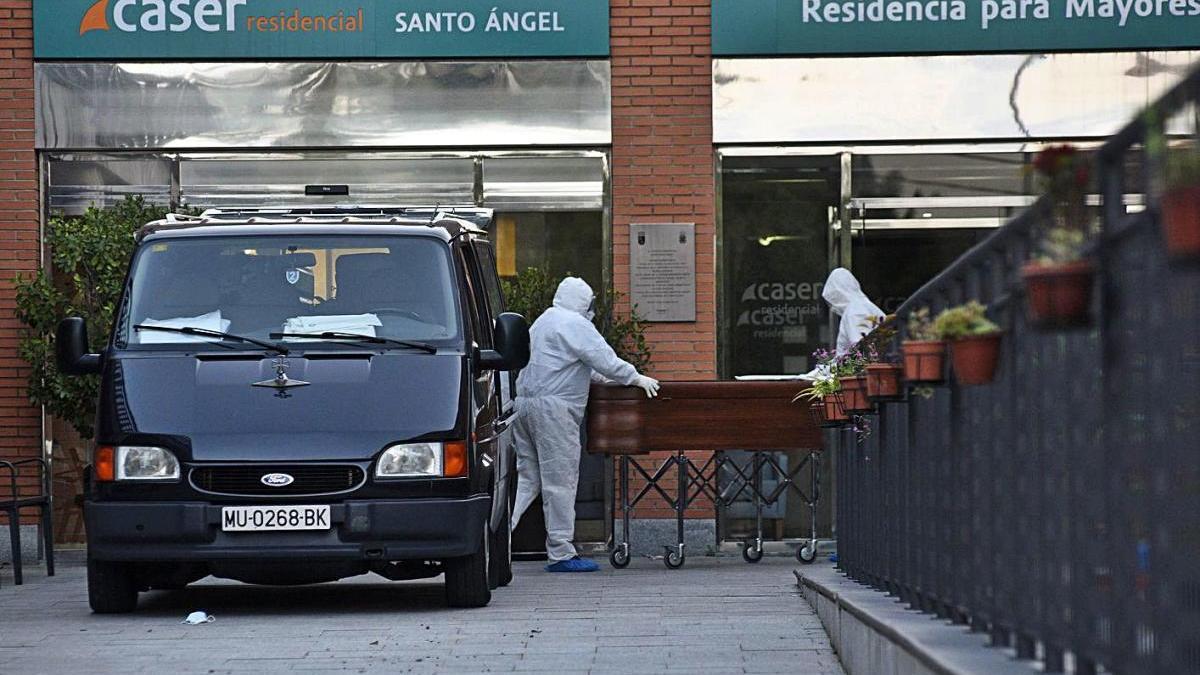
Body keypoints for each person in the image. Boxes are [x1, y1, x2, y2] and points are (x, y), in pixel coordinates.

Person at [511, 277, 660, 572]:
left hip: (525, 406)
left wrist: (616, 377)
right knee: (560, 482)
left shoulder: (544, 321)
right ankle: (561, 553)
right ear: (583, 301)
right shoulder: (575, 324)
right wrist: (635, 378)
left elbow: (578, 367)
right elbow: (604, 360)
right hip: (554, 411)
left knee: (527, 480)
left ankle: (495, 535)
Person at [800, 268, 885, 380]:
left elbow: (860, 352)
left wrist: (825, 372)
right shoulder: (868, 307)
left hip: (855, 381)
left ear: (836, 293)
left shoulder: (854, 311)